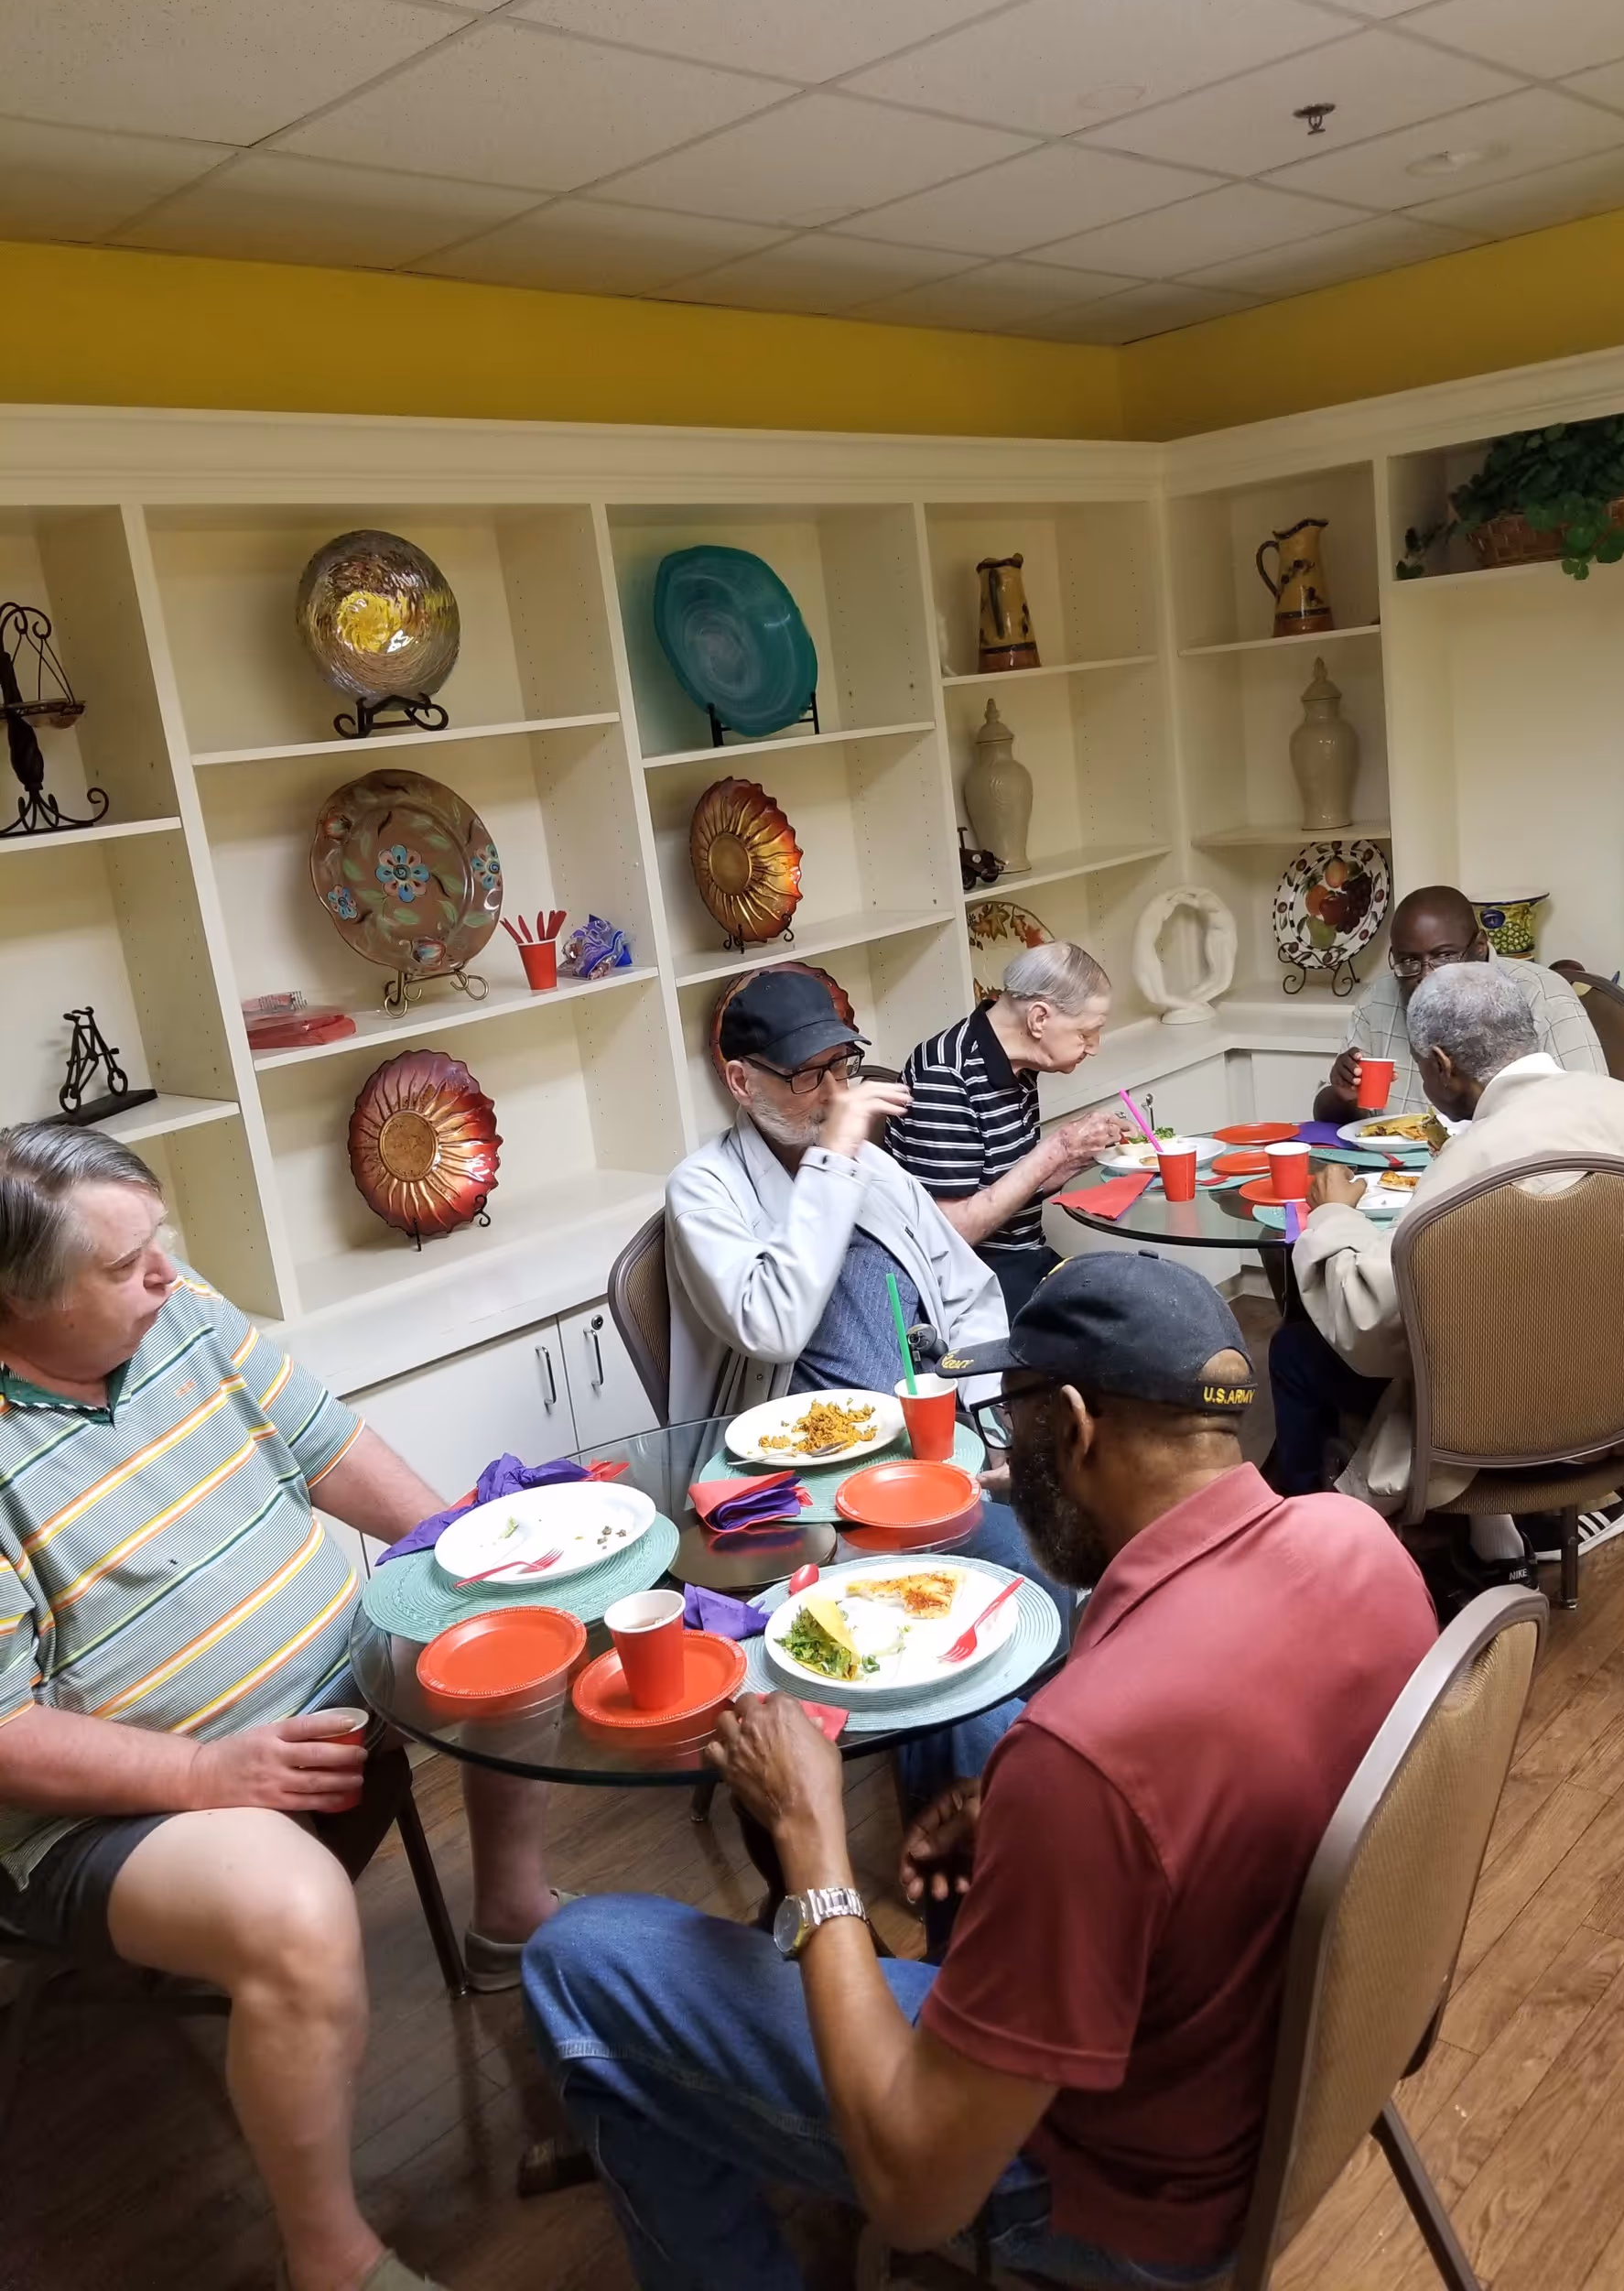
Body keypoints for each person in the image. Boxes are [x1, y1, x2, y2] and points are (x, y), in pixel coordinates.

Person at [522, 1254, 1438, 2291]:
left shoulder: (1090, 1757)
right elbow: (1230, 1769)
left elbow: (917, 2191)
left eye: (1015, 1426)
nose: (1009, 1459)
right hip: (1270, 2080)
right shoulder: (1356, 1538)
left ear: (1076, 1425)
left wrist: (811, 1841)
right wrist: (1025, 1798)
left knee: (578, 1958)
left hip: (1126, 2200)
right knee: (979, 1736)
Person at [0, 1125, 563, 2291]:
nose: (163, 1272)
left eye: (157, 1240)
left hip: (332, 1680)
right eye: (121, 1266)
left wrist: (454, 1558)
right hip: (113, 1809)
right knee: (297, 1907)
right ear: (17, 1300)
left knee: (515, 1628)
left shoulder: (181, 1305)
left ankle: (508, 1917)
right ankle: (332, 2257)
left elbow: (326, 1446)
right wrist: (206, 1778)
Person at [1275, 962, 1624, 1577]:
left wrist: (1333, 1221)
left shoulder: (1471, 1164)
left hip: (1494, 1425)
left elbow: (1369, 1332)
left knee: (1299, 1350)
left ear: (1440, 1065)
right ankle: (1487, 1534)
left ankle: (1304, 1551)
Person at [666, 968, 1007, 1418]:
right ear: (741, 1082)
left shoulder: (870, 1164)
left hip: (935, 1420)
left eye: (840, 1066)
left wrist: (990, 1411)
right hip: (807, 1451)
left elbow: (966, 1294)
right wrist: (832, 1162)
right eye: (806, 1074)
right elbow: (774, 1330)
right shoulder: (703, 1187)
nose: (833, 1095)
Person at [888, 943, 1123, 1319]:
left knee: (1139, 1290)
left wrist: (1080, 1153)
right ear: (1039, 1019)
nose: (1094, 1047)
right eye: (1086, 1033)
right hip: (968, 1280)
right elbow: (953, 1234)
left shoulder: (1018, 1064)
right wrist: (1058, 1148)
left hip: (1022, 1257)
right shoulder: (946, 1075)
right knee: (1123, 1320)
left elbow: (1009, 1185)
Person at [1314, 884, 1606, 1124]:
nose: (1427, 976)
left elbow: (1594, 1113)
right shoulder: (1376, 1002)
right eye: (1408, 961)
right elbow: (1330, 1118)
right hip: (1391, 1181)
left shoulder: (1544, 997)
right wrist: (1342, 1094)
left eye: (1444, 956)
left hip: (1509, 1177)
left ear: (1479, 947)